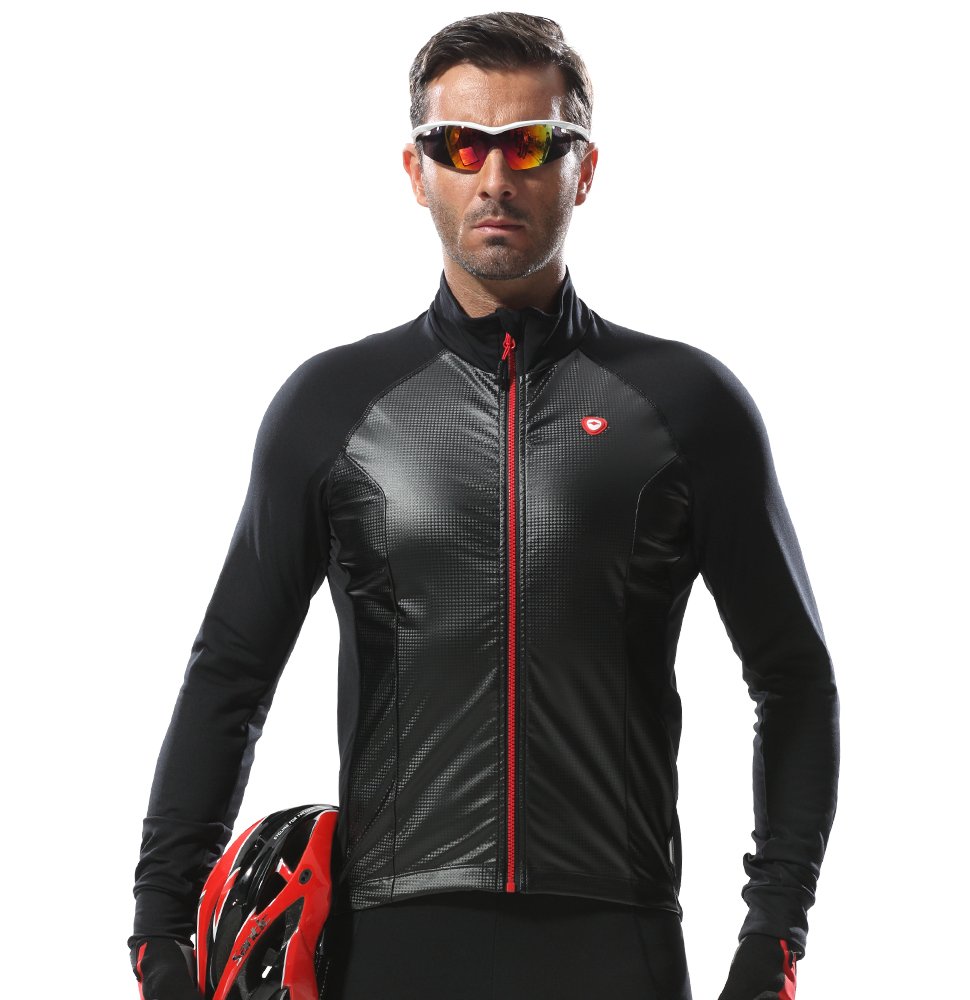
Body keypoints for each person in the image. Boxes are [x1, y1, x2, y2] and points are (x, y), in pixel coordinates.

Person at [129, 12, 840, 1000]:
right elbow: (231, 672)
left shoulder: (685, 406)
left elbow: (792, 677)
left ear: (583, 170)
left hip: (618, 941)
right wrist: (160, 921)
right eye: (459, 145)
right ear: (416, 171)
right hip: (392, 947)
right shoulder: (332, 406)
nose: (494, 177)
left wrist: (773, 931)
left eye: (531, 143)